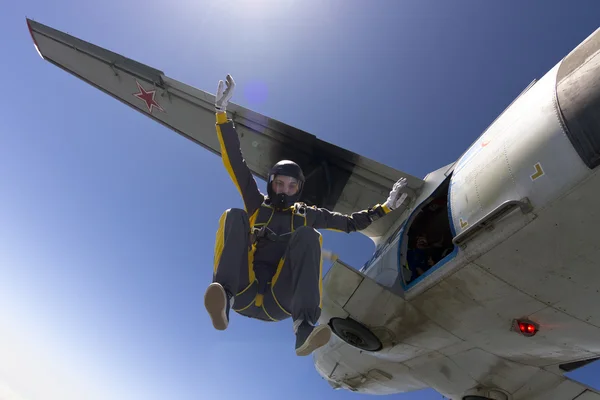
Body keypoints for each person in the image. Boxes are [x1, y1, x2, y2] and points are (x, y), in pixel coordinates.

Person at [203, 74, 408, 356]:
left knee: (310, 236)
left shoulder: (307, 214)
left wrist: (386, 207)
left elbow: (349, 223)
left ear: (299, 189)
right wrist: (221, 114)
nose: (285, 190)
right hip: (242, 290)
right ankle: (221, 299)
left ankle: (304, 328)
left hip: (280, 300)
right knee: (233, 215)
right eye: (279, 183)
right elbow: (236, 162)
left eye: (291, 186)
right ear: (271, 183)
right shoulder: (256, 204)